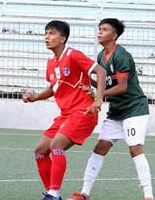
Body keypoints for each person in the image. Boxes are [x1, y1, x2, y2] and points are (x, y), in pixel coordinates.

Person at [67, 19, 153, 200]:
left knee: (135, 148)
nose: (99, 32)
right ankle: (84, 194)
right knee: (100, 147)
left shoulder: (121, 55)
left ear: (114, 35)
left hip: (134, 109)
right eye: (99, 29)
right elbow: (102, 83)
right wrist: (85, 82)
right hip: (117, 111)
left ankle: (148, 196)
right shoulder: (100, 56)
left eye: (104, 29)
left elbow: (122, 87)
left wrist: (99, 96)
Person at [22, 20, 107, 200]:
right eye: (46, 33)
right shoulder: (51, 62)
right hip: (66, 114)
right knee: (40, 151)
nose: (47, 37)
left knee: (56, 146)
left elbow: (100, 71)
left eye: (51, 33)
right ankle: (52, 195)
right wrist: (35, 97)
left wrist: (98, 98)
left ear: (62, 38)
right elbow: (54, 87)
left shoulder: (73, 55)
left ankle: (53, 193)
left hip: (84, 112)